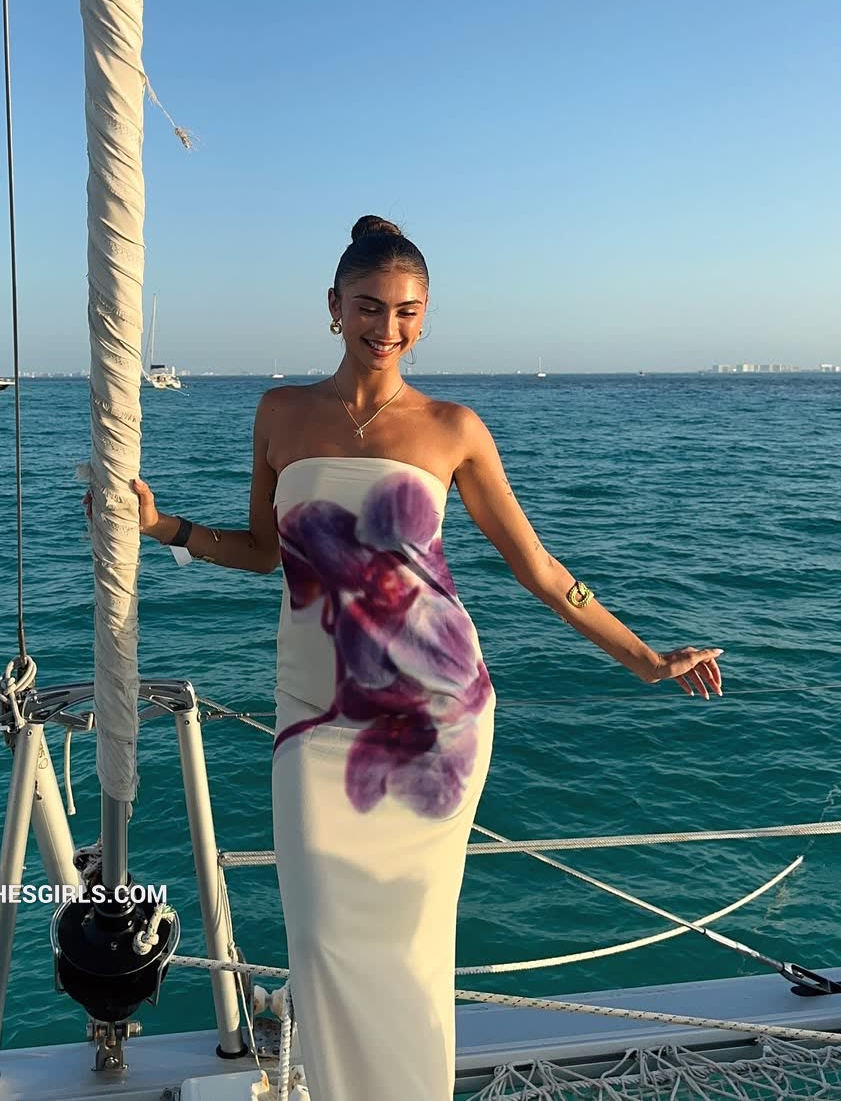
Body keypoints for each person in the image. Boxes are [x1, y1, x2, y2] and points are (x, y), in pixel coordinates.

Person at [128, 215, 723, 1101]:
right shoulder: (281, 412)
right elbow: (264, 552)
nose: (388, 327)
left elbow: (537, 567)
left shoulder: (453, 428)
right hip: (315, 718)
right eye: (370, 306)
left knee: (409, 951)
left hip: (437, 717)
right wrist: (163, 528)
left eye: (407, 311)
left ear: (425, 316)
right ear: (334, 306)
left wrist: (643, 657)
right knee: (324, 946)